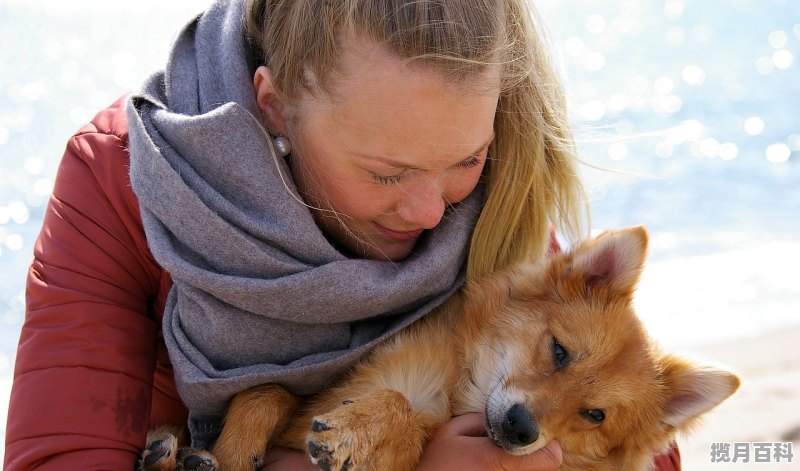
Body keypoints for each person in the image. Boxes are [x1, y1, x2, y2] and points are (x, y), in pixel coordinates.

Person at [4, 0, 680, 469]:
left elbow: (644, 437)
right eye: (386, 174)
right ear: (276, 107)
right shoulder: (122, 181)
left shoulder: (502, 201)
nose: (428, 212)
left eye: (465, 160)